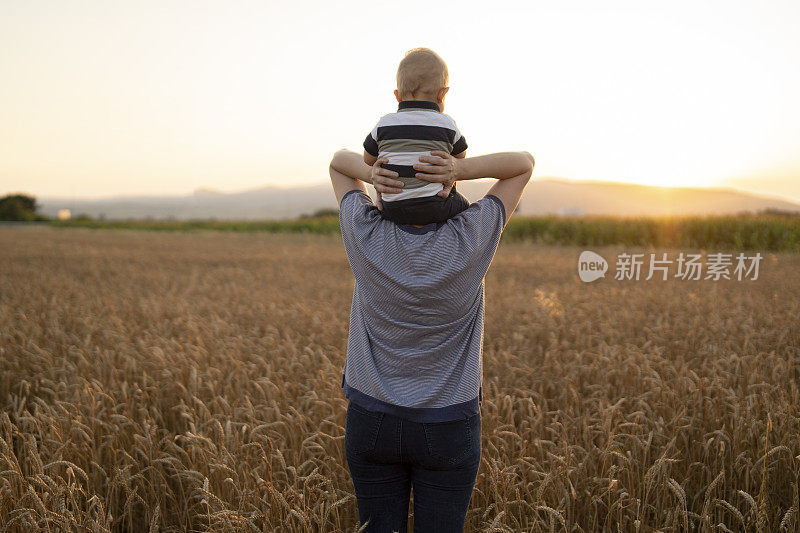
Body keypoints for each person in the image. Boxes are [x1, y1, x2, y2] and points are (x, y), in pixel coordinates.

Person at [329, 147, 534, 532]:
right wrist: (459, 168)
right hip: (449, 422)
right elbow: (522, 164)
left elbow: (339, 162)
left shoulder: (365, 231)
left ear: (384, 190)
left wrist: (375, 173)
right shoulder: (471, 235)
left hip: (372, 418)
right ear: (447, 188)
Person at [363, 48, 470, 225]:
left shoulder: (384, 124)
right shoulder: (446, 124)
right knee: (464, 206)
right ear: (442, 94)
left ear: (397, 96)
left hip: (391, 209)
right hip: (435, 207)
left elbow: (368, 159)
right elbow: (460, 158)